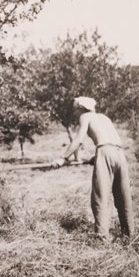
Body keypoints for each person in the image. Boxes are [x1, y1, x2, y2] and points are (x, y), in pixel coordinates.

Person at [54, 96, 133, 240]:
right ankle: (129, 235)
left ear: (82, 108)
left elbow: (78, 140)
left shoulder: (85, 116)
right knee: (123, 197)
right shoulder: (104, 117)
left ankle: (101, 238)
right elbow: (109, 141)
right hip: (120, 154)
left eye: (75, 109)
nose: (75, 113)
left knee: (100, 196)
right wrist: (95, 158)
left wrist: (63, 158)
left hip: (105, 152)